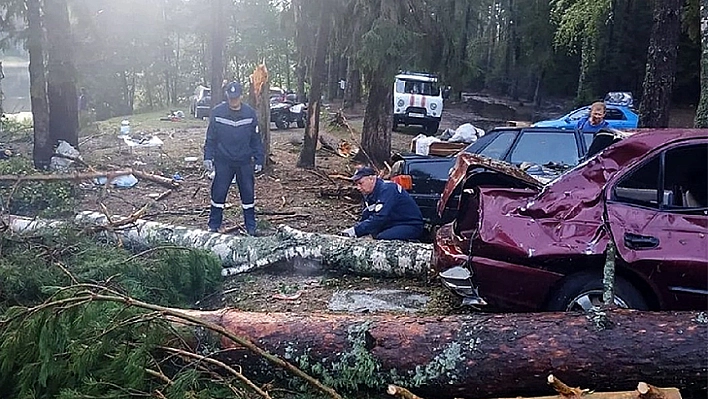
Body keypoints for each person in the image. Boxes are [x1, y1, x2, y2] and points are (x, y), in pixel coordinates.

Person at [203, 81, 264, 235]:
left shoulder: (249, 113)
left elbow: (256, 139)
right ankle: (213, 225)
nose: (233, 101)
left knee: (248, 194)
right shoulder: (217, 112)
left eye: (236, 98)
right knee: (218, 193)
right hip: (223, 161)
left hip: (244, 161)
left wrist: (259, 159)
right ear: (227, 97)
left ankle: (251, 226)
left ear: (241, 97)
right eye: (231, 98)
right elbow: (211, 138)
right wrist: (208, 157)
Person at [341, 167, 424, 241]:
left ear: (371, 179)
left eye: (360, 183)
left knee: (382, 239)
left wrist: (355, 231)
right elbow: (367, 216)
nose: (358, 188)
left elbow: (380, 217)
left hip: (410, 225)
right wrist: (355, 232)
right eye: (356, 184)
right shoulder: (370, 194)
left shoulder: (387, 189)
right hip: (392, 224)